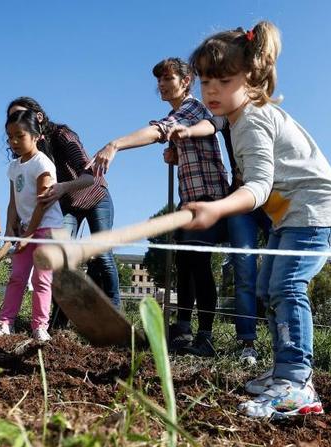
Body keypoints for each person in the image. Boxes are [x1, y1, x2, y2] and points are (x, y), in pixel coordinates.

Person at [171, 21, 331, 418]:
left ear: (250, 77)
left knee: (286, 284)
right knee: (269, 286)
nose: (211, 90)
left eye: (223, 79)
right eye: (204, 81)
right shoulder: (237, 117)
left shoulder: (251, 120)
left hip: (312, 210)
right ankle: (284, 370)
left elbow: (258, 187)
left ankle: (296, 384)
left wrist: (216, 208)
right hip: (292, 214)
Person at [91, 58, 230, 357]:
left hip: (208, 196)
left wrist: (115, 144)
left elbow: (159, 130)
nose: (162, 85)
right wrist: (176, 155)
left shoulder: (192, 108)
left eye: (168, 78)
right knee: (185, 263)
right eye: (159, 80)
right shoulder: (179, 113)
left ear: (185, 80)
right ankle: (182, 329)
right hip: (190, 197)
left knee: (199, 263)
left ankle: (204, 336)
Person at [165, 98, 272, 366]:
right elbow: (211, 125)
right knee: (243, 269)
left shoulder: (263, 114)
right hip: (238, 197)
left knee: (280, 272)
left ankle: (287, 343)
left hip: (272, 194)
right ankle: (247, 344)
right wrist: (185, 137)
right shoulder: (223, 116)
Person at [5, 97, 119, 328]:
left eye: (21, 115)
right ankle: (58, 319)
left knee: (103, 256)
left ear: (37, 117)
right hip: (63, 206)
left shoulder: (63, 135)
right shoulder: (26, 151)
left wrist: (63, 187)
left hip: (94, 196)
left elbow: (89, 176)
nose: (16, 123)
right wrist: (16, 220)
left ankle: (114, 312)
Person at [0, 109, 69, 341]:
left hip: (46, 230)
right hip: (26, 230)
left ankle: (39, 328)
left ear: (35, 136)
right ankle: (5, 323)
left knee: (41, 279)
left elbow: (43, 203)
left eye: (19, 136)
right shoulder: (14, 167)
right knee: (16, 277)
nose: (13, 141)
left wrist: (29, 234)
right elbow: (13, 201)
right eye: (10, 136)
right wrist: (10, 229)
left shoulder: (43, 164)